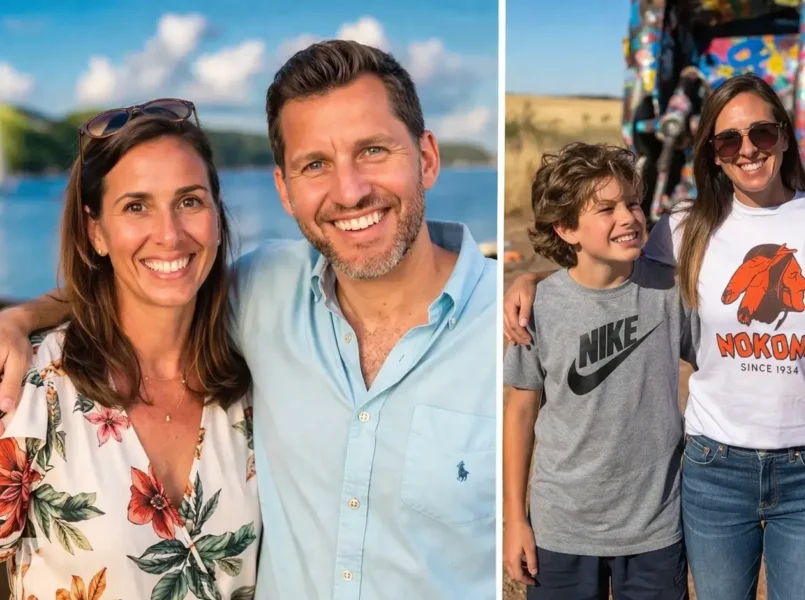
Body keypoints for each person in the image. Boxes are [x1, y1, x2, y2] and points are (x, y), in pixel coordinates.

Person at [0, 40, 496, 599]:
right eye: (315, 165)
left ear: (427, 157)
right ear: (283, 189)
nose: (350, 191)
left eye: (374, 151)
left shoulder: (509, 329)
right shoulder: (32, 392)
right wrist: (21, 318)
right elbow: (148, 283)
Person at [502, 74, 805, 600]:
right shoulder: (682, 229)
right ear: (713, 154)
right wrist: (531, 280)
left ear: (785, 137)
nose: (747, 150)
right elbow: (602, 267)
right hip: (714, 469)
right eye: (728, 140)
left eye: (762, 133)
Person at [0, 102, 259, 598]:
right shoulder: (32, 391)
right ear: (96, 231)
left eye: (189, 201)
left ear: (217, 216)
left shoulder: (251, 381)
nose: (169, 234)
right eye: (136, 206)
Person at [503, 142, 694, 599]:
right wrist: (515, 519)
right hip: (562, 527)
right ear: (566, 228)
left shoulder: (669, 290)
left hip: (655, 528)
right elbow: (520, 414)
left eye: (632, 203)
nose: (628, 217)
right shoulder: (539, 308)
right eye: (605, 209)